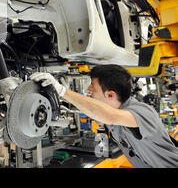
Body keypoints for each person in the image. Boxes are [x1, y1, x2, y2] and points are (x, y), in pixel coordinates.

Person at [30, 64, 178, 168]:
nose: (88, 90)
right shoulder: (114, 111)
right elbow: (98, 112)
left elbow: (109, 116)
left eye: (92, 86)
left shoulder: (143, 111)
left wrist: (62, 91)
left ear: (110, 95)